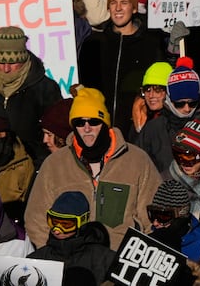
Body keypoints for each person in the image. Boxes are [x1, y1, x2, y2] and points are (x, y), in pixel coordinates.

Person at [25, 87, 161, 249]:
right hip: (72, 266)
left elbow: (153, 219)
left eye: (94, 121)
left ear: (105, 123)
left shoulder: (136, 160)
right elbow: (36, 219)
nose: (87, 128)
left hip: (119, 263)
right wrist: (56, 257)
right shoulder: (55, 164)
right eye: (80, 123)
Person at [79, 0, 165, 134]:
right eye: (113, 2)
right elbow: (87, 87)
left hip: (137, 130)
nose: (118, 8)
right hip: (100, 130)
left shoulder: (151, 43)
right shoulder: (93, 44)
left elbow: (159, 87)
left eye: (124, 2)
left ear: (133, 8)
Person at [0, 26, 61, 169]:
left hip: (29, 167)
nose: (6, 69)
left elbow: (55, 135)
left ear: (24, 58)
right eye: (0, 63)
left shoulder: (45, 88)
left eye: (12, 63)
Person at [29, 190, 117, 284]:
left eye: (66, 224)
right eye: (54, 222)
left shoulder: (105, 259)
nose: (57, 230)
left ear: (82, 223)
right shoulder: (37, 259)